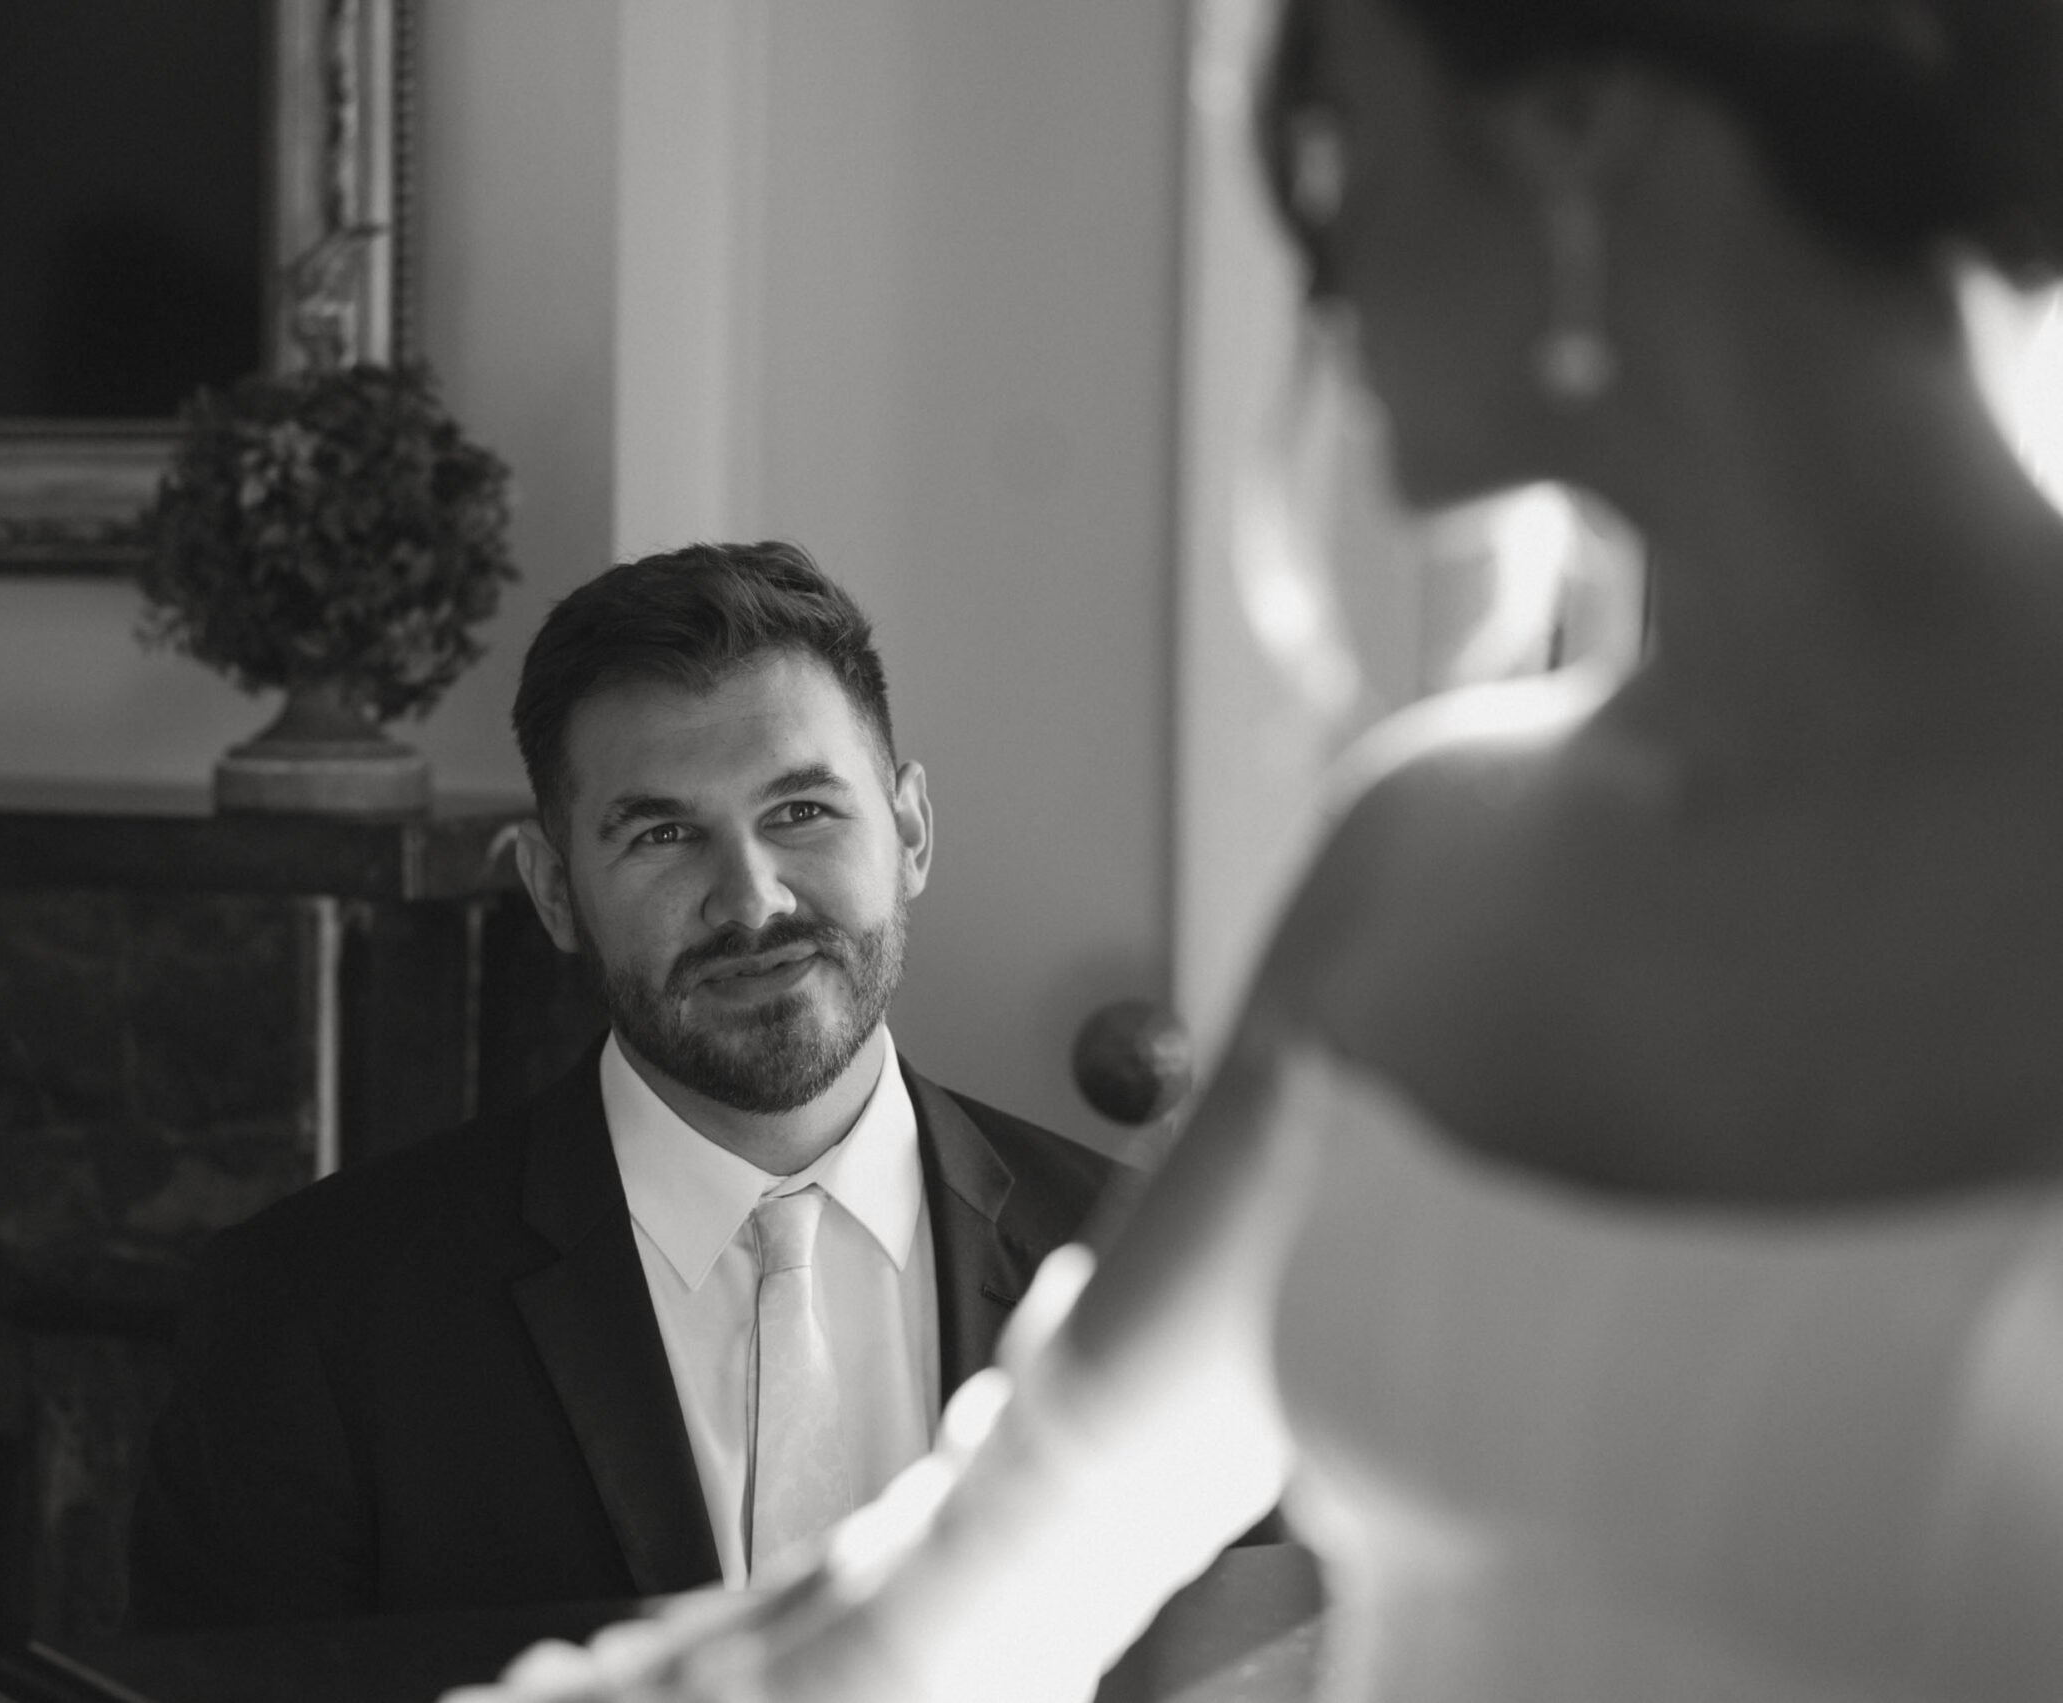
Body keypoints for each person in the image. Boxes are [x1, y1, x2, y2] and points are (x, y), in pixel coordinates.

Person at [455, 1, 2063, 1699]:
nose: (1313, 257)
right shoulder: (1426, 852)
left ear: (1577, 128)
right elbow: (989, 1579)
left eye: (1332, 142)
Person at [126, 541, 1151, 1630]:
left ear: (908, 830)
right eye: (663, 834)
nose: (751, 902)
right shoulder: (310, 1314)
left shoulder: (1141, 1260)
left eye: (802, 811)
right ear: (553, 891)